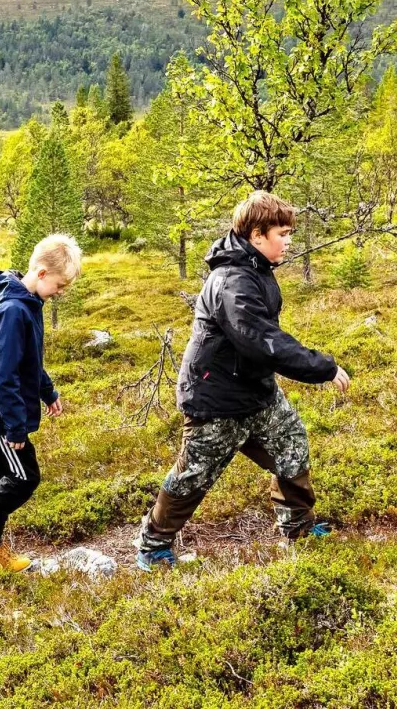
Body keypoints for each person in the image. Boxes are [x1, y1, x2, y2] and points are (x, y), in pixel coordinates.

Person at [135, 191, 352, 571]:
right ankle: (152, 546)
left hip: (257, 392)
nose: (289, 241)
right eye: (282, 233)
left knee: (292, 446)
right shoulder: (232, 280)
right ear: (256, 235)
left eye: (289, 233)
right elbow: (263, 341)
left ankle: (297, 528)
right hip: (215, 398)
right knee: (194, 475)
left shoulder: (256, 269)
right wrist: (323, 368)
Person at [0, 234, 81, 574]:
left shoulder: (26, 304)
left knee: (5, 476)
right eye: (59, 284)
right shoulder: (13, 310)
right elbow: (3, 375)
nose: (60, 292)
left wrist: (47, 392)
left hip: (0, 413)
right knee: (24, 477)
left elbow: (29, 362)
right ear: (40, 273)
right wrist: (14, 426)